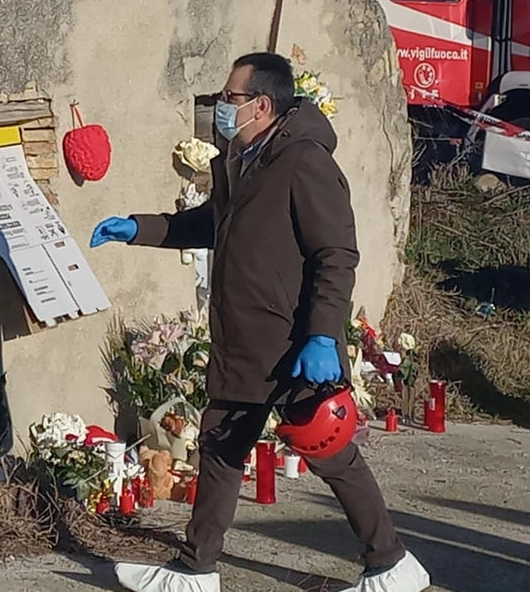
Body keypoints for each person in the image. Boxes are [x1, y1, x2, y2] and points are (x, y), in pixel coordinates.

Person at [90, 53, 430, 592]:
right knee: (221, 448)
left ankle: (391, 564)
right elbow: (212, 222)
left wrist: (323, 333)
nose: (223, 107)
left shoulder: (302, 161)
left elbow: (337, 254)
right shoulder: (243, 156)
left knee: (329, 448)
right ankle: (197, 571)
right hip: (245, 341)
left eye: (231, 98)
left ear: (262, 105)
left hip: (291, 340)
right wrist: (140, 227)